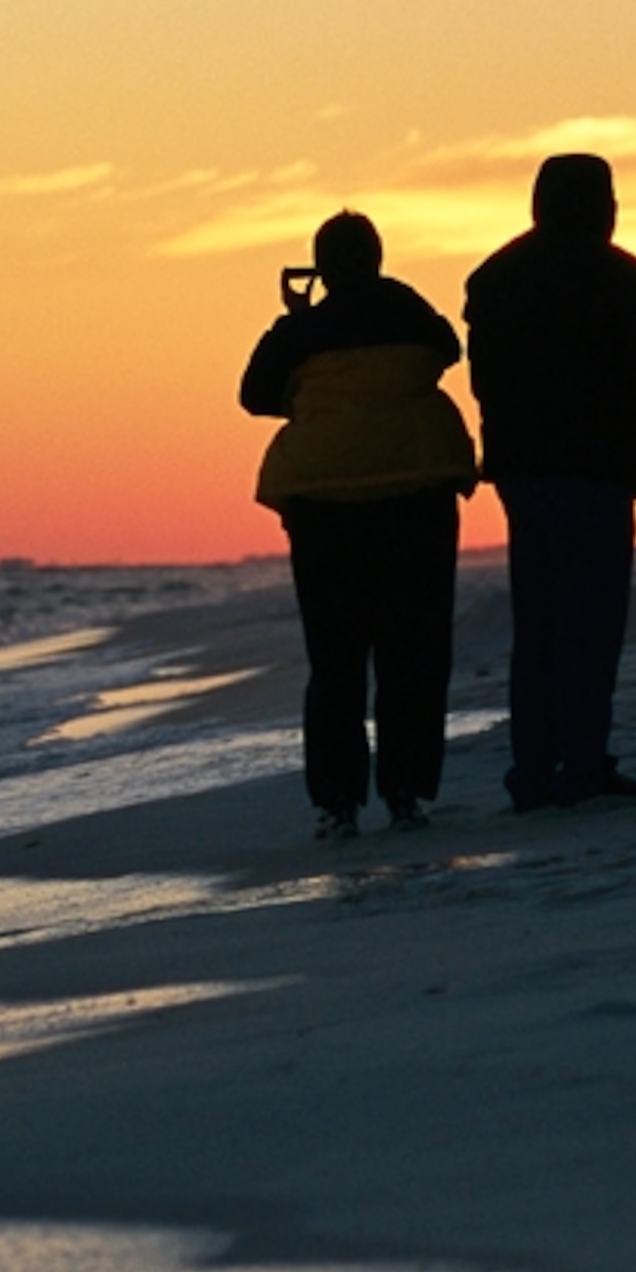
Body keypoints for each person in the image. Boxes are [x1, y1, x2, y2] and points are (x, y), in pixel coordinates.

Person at [462, 153, 636, 811]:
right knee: (590, 627)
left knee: (536, 629)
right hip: (598, 472)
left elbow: (483, 383)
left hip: (522, 474)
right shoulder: (628, 281)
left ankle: (533, 773)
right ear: (605, 205)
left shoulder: (495, 278)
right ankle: (583, 766)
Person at [241, 210, 477, 838]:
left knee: (335, 659)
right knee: (414, 653)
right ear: (377, 256)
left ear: (321, 265)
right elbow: (446, 345)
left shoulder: (303, 331)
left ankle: (337, 804)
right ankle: (406, 795)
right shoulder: (408, 314)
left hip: (324, 506)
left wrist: (296, 315)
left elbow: (255, 393)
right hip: (415, 494)